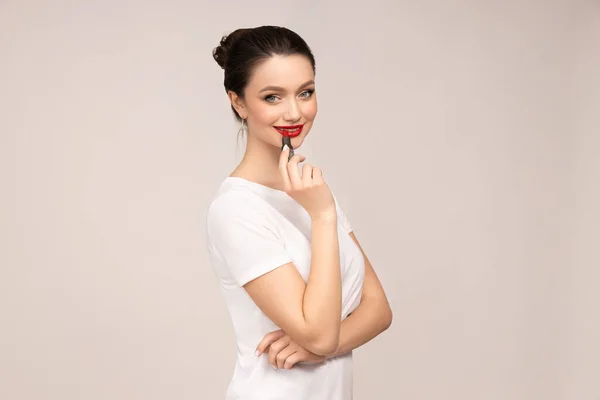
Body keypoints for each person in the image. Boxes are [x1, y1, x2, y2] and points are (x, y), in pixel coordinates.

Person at [205, 25, 393, 400]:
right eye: (273, 97)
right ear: (238, 102)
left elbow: (379, 310)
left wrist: (318, 347)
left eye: (305, 92)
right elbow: (321, 332)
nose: (295, 111)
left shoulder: (311, 192)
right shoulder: (236, 209)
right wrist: (323, 218)